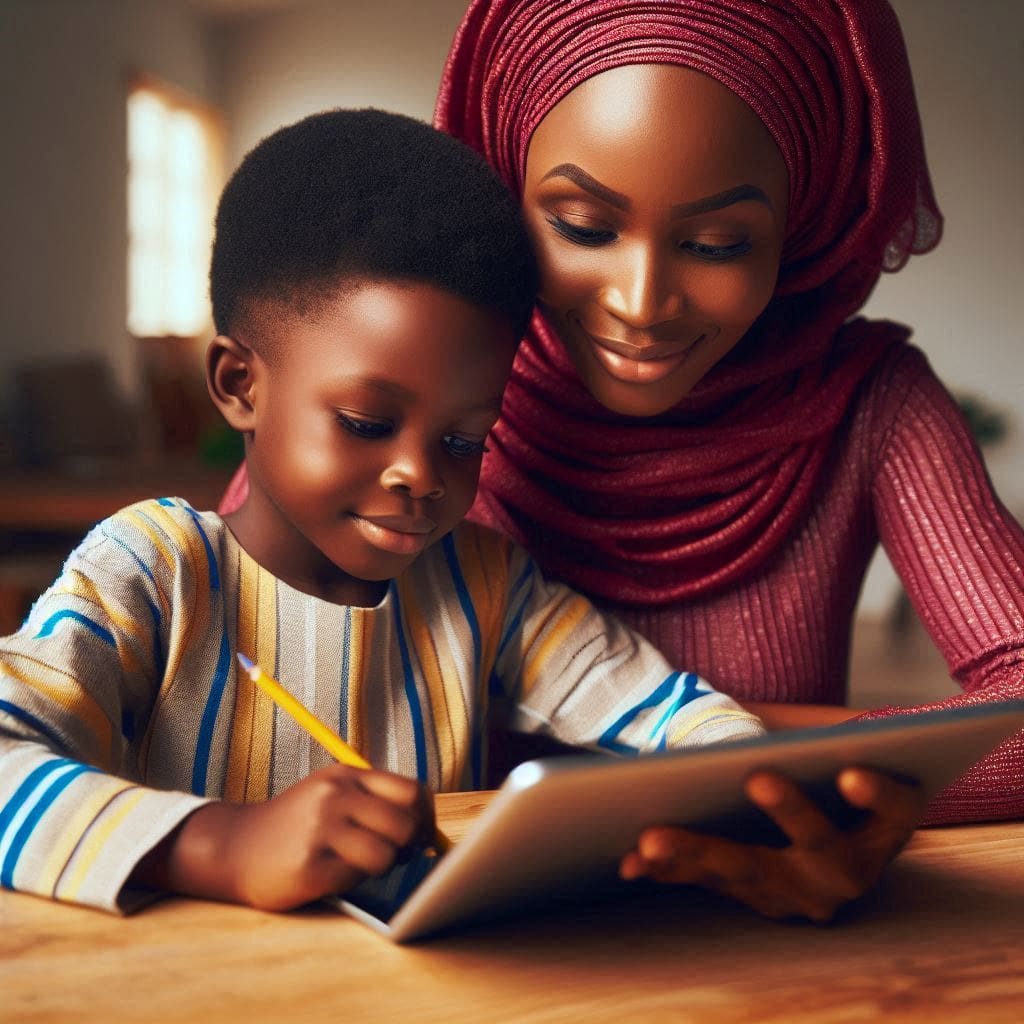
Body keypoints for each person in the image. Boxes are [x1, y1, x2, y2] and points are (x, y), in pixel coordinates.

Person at [221, 0, 1023, 921]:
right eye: (583, 227)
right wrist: (792, 762)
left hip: (770, 956)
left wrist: (773, 776)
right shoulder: (420, 395)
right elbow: (219, 675)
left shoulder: (870, 402)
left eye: (718, 243)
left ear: (800, 225)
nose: (642, 304)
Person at [0, 108, 764, 915]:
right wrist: (219, 845)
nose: (419, 474)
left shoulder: (486, 586)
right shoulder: (157, 572)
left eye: (466, 440)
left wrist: (753, 790)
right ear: (239, 385)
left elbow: (676, 716)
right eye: (366, 424)